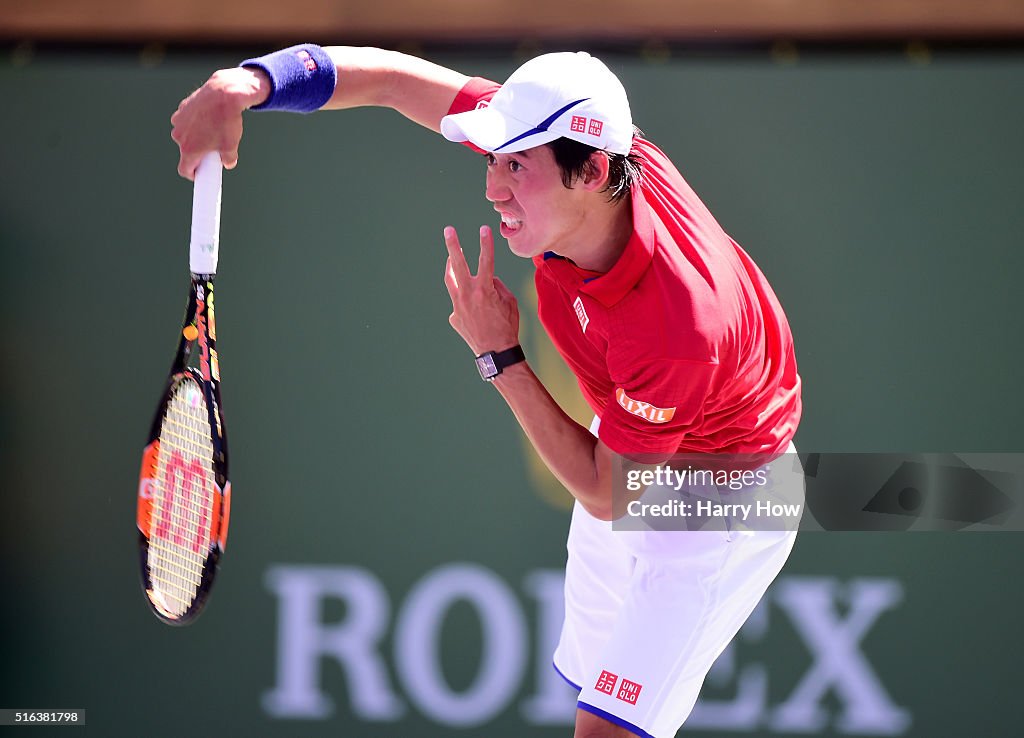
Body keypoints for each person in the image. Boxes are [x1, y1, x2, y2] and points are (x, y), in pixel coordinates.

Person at [171, 44, 803, 738]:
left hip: (721, 496)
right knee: (588, 687)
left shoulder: (678, 324)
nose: (493, 187)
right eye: (495, 161)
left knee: (607, 730)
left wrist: (499, 355)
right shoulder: (588, 152)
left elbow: (603, 491)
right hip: (634, 440)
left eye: (515, 167)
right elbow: (387, 82)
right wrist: (249, 83)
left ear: (591, 172)